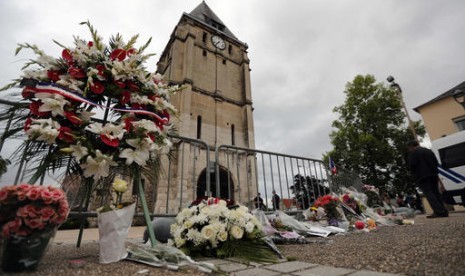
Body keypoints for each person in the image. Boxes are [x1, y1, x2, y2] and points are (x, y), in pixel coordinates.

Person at [407, 140, 448, 218]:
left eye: (409, 148)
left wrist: (414, 176)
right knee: (436, 192)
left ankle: (439, 212)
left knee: (429, 194)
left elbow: (412, 166)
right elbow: (436, 163)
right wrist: (435, 172)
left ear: (411, 146)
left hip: (422, 177)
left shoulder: (413, 153)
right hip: (433, 174)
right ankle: (444, 211)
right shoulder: (428, 151)